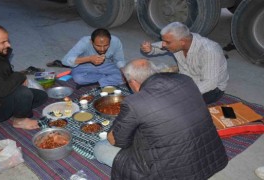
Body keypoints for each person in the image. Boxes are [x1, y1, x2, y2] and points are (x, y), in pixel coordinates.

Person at [94, 59, 228, 179]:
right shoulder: (185, 80)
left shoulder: (134, 102)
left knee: (100, 148)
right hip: (211, 160)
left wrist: (118, 125)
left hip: (171, 173)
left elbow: (117, 141)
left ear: (133, 82)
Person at [141, 22, 229, 104]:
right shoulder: (179, 42)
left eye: (167, 42)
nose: (163, 44)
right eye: (163, 41)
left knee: (173, 103)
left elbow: (210, 83)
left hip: (211, 89)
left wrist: (183, 92)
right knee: (155, 83)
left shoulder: (209, 51)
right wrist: (150, 49)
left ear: (182, 42)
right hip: (187, 79)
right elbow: (160, 47)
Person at [61, 28, 126, 87]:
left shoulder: (116, 41)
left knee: (126, 76)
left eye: (106, 45)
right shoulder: (84, 42)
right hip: (84, 65)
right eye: (98, 46)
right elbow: (65, 60)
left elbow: (119, 60)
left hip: (106, 65)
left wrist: (123, 70)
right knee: (79, 79)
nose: (102, 49)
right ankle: (106, 80)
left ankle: (98, 81)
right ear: (91, 42)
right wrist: (89, 59)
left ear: (110, 41)